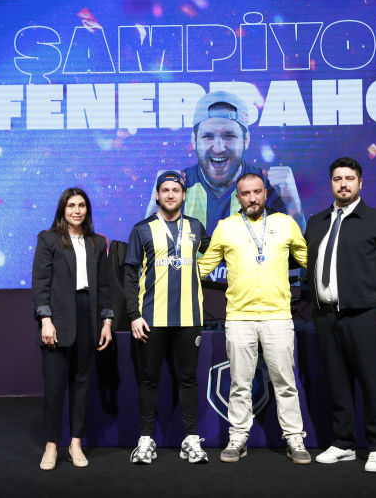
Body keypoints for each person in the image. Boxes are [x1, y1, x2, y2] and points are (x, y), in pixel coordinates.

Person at [197, 172, 311, 465]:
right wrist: (171, 272)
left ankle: (294, 438)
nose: (252, 198)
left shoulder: (285, 223)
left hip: (278, 317)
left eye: (257, 192)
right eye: (245, 193)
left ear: (265, 193)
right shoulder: (226, 227)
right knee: (239, 383)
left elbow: (309, 259)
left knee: (285, 382)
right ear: (238, 197)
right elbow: (204, 266)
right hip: (239, 318)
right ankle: (238, 437)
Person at [305, 157, 376, 473]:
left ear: (360, 183)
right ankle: (343, 444)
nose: (343, 184)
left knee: (373, 383)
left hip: (365, 315)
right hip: (326, 316)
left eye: (349, 178)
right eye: (338, 179)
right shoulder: (316, 222)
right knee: (337, 384)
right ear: (331, 183)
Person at [144, 92, 306, 269]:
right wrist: (154, 207)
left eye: (229, 136)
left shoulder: (267, 187)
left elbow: (297, 260)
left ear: (246, 140)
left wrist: (293, 204)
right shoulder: (178, 188)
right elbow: (150, 260)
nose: (219, 148)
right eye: (208, 136)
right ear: (194, 140)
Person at [124, 171, 211, 464]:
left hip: (189, 318)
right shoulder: (142, 229)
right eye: (165, 190)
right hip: (151, 320)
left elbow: (217, 255)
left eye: (176, 190)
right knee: (148, 381)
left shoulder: (196, 227)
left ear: (184, 195)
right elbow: (129, 275)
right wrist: (134, 315)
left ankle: (191, 440)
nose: (171, 194)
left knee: (188, 380)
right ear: (158, 195)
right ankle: (146, 440)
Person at [32, 188, 114, 470]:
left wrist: (106, 321)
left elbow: (105, 287)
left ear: (87, 210)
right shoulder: (48, 239)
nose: (76, 211)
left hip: (88, 316)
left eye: (81, 205)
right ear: (62, 209)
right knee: (55, 386)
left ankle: (75, 444)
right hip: (57, 318)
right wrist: (45, 320)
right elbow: (40, 283)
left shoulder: (97, 242)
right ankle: (51, 446)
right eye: (71, 205)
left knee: (82, 384)